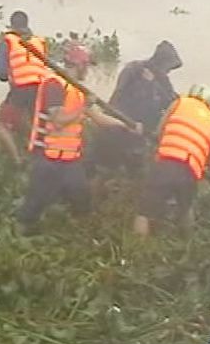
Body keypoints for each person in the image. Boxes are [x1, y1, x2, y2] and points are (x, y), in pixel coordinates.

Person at [17, 45, 139, 235]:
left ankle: (80, 236)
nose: (88, 70)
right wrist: (83, 108)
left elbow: (99, 118)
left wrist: (127, 125)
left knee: (81, 199)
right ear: (78, 64)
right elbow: (57, 120)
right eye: (86, 65)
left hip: (69, 160)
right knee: (35, 203)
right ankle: (21, 234)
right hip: (47, 156)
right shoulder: (54, 84)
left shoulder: (78, 91)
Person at [133, 83, 210, 239]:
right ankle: (187, 244)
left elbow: (160, 131)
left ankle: (137, 249)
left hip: (167, 162)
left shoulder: (180, 103)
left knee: (144, 212)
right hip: (190, 171)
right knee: (186, 210)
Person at [87, 40, 182, 177]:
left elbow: (172, 104)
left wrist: (154, 84)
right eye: (168, 67)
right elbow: (117, 96)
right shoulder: (133, 69)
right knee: (101, 167)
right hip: (119, 126)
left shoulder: (162, 81)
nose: (168, 71)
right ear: (161, 62)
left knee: (134, 173)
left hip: (139, 135)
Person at [0, 11, 48, 165]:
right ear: (27, 24)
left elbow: (1, 72)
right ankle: (39, 154)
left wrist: (10, 75)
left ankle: (17, 160)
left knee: (0, 125)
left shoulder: (8, 41)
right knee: (33, 123)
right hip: (41, 89)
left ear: (11, 25)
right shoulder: (39, 41)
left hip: (21, 89)